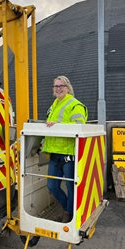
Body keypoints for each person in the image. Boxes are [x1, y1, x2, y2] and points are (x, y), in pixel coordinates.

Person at [42, 75, 88, 222]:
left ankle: (69, 214)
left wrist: (57, 125)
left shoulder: (75, 105)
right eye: (56, 86)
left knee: (71, 187)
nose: (58, 88)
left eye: (61, 86)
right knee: (52, 186)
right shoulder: (53, 105)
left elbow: (79, 127)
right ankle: (68, 208)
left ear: (68, 88)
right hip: (55, 154)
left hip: (69, 155)